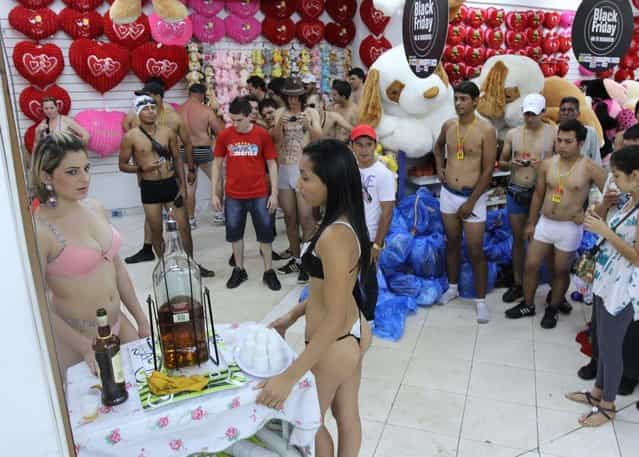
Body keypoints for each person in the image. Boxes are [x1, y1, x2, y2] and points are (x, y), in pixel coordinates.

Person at [258, 139, 372, 457]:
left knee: (308, 425)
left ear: (331, 182)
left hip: (334, 343)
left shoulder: (335, 235)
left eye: (306, 177)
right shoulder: (343, 221)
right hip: (351, 334)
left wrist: (288, 377)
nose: (298, 184)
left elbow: (334, 316)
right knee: (346, 417)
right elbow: (333, 288)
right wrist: (293, 315)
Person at [30, 132, 149, 375]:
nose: (84, 178)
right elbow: (38, 305)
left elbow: (117, 269)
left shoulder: (95, 207)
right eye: (72, 171)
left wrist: (141, 319)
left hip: (119, 324)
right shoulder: (39, 230)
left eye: (87, 168)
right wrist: (84, 346)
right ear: (46, 176)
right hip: (79, 339)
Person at [505, 120, 607, 328]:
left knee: (560, 271)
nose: (561, 145)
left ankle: (553, 308)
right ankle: (528, 304)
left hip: (569, 227)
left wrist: (590, 214)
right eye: (559, 140)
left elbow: (610, 195)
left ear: (580, 143)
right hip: (545, 222)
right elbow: (538, 195)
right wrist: (531, 223)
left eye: (568, 141)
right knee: (531, 265)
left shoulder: (589, 168)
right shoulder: (548, 163)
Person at [565, 145, 639, 426]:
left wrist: (606, 231)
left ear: (636, 175)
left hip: (624, 286)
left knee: (610, 345)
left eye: (618, 176)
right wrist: (607, 204)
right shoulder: (627, 199)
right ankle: (597, 392)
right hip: (606, 278)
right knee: (599, 338)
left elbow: (637, 257)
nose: (614, 181)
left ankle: (608, 405)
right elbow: (591, 219)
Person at [119, 95, 213, 276]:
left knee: (184, 227)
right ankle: (165, 266)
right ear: (138, 113)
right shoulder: (131, 137)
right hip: (150, 187)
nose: (150, 111)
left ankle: (191, 264)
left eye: (153, 108)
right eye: (145, 109)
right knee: (156, 230)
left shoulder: (167, 132)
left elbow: (177, 158)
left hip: (170, 184)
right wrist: (141, 167)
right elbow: (122, 165)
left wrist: (183, 187)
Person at [433, 81, 497, 323]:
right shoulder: (449, 125)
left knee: (475, 250)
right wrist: (439, 168)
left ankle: (480, 302)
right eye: (456, 99)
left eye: (463, 99)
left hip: (473, 197)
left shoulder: (486, 130)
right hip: (448, 193)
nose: (459, 103)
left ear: (475, 101)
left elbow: (489, 169)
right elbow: (438, 147)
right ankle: (452, 287)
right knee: (451, 243)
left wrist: (471, 201)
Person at [211, 97, 281, 291]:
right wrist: (214, 193)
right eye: (232, 120)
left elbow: (272, 164)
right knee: (234, 233)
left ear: (249, 116)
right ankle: (239, 269)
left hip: (259, 193)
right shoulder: (225, 136)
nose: (235, 124)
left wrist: (274, 193)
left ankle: (269, 271)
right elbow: (216, 164)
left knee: (265, 233)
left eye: (239, 120)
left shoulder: (262, 135)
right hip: (233, 194)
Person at [499, 94, 556, 303]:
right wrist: (513, 163)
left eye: (533, 114)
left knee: (544, 241)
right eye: (526, 114)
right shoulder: (513, 134)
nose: (529, 118)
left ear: (543, 113)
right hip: (517, 189)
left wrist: (542, 165)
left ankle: (550, 285)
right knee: (518, 240)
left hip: (541, 194)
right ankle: (518, 282)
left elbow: (561, 162)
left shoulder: (554, 133)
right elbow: (502, 162)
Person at [271, 78, 322, 282]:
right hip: (284, 167)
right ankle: (296, 258)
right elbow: (274, 140)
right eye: (289, 96)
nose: (292, 100)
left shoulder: (311, 112)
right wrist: (279, 126)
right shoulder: (279, 113)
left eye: (296, 96)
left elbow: (319, 138)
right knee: (289, 218)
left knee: (306, 218)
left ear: (301, 96)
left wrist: (308, 125)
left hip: (304, 170)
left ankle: (308, 258)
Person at [350, 124, 395, 321]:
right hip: (350, 234)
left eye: (368, 145)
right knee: (348, 278)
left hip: (370, 235)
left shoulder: (383, 174)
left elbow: (387, 212)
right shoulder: (348, 170)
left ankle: (368, 317)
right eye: (359, 145)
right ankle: (355, 313)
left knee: (368, 279)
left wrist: (378, 243)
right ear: (352, 146)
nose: (364, 149)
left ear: (375, 145)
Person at [177, 83, 225, 228]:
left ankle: (190, 220)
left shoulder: (178, 110)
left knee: (189, 186)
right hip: (202, 149)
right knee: (217, 180)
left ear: (189, 93)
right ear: (202, 95)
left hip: (184, 150)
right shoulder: (206, 110)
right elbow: (220, 132)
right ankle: (218, 215)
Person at [558, 96, 602, 165]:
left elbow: (596, 159)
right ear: (559, 113)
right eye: (563, 110)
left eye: (571, 110)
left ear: (578, 114)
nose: (566, 113)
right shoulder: (554, 130)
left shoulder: (590, 132)